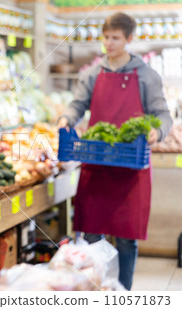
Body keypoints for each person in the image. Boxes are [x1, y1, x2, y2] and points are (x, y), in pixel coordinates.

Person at [58, 12, 172, 290]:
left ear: (129, 38)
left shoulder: (146, 75)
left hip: (131, 168)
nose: (109, 43)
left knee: (126, 237)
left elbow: (162, 114)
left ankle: (124, 292)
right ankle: (96, 290)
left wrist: (158, 131)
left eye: (115, 38)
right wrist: (66, 118)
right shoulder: (92, 74)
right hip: (97, 164)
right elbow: (78, 104)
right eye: (106, 37)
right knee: (92, 233)